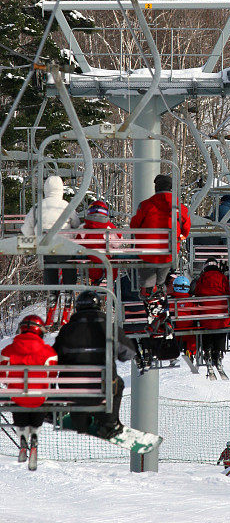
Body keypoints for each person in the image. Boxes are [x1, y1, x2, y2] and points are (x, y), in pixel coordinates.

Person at [53, 290, 135, 439]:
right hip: (101, 388)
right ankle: (109, 422)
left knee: (79, 385)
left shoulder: (66, 330)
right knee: (117, 384)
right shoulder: (108, 328)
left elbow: (53, 358)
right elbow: (128, 353)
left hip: (71, 390)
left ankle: (80, 420)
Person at [130, 174, 191, 336]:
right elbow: (186, 229)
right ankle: (160, 313)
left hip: (147, 253)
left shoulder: (145, 205)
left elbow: (134, 224)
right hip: (168, 254)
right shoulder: (180, 207)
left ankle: (155, 316)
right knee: (161, 283)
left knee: (148, 286)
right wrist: (180, 239)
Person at [0, 314, 58, 468]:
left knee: (19, 402)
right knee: (37, 400)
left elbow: (2, 374)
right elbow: (52, 375)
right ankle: (34, 436)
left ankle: (23, 440)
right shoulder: (48, 351)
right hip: (38, 398)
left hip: (17, 397)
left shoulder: (8, 349)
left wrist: (10, 383)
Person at [22, 176, 81, 306]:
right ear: (61, 189)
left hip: (46, 247)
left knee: (48, 265)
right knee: (69, 264)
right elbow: (76, 225)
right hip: (64, 248)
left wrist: (32, 240)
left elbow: (27, 229)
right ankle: (68, 290)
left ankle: (52, 292)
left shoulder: (38, 207)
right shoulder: (66, 206)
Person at [192, 258, 230, 370]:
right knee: (221, 326)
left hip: (205, 318)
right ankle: (218, 352)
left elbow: (196, 293)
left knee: (206, 324)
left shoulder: (201, 279)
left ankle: (207, 350)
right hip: (222, 318)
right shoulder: (223, 279)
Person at [76, 200, 122, 285]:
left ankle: (95, 283)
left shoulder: (83, 228)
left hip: (89, 263)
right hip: (107, 263)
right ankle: (109, 282)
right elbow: (117, 243)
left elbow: (77, 244)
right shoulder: (109, 227)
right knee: (114, 257)